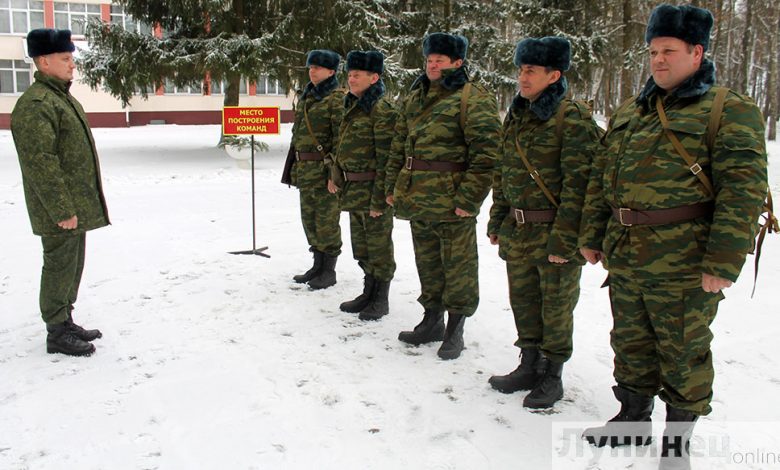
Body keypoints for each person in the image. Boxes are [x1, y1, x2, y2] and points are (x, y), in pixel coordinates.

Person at [578, 4, 768, 469]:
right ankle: (632, 418)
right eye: (652, 51)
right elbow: (603, 179)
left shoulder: (728, 109)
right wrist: (592, 234)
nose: (658, 60)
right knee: (631, 342)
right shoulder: (632, 111)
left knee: (683, 351)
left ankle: (677, 445)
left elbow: (743, 189)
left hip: (685, 261)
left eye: (669, 50)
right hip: (627, 255)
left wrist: (722, 262)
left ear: (697, 52)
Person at [486, 37, 601, 409]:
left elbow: (580, 186)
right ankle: (529, 365)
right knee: (524, 303)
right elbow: (503, 172)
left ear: (554, 75)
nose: (522, 77)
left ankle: (552, 375)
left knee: (555, 309)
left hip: (555, 233)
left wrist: (565, 241)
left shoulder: (573, 118)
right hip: (519, 232)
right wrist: (497, 218)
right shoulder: (517, 115)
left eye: (531, 71)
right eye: (520, 70)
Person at [386, 33, 500, 360]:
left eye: (440, 59)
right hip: (417, 197)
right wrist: (392, 188)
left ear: (458, 63)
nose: (433, 64)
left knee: (458, 267)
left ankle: (456, 327)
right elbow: (399, 145)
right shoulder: (414, 97)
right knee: (428, 263)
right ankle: (432, 319)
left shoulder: (472, 97)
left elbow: (487, 155)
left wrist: (469, 199)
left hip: (452, 202)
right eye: (429, 59)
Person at [11, 28, 110, 357]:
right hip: (60, 207)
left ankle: (65, 318)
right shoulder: (36, 105)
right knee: (58, 264)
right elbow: (41, 164)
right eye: (65, 59)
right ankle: (56, 330)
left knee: (72, 263)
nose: (72, 65)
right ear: (43, 61)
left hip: (73, 205)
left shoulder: (60, 97)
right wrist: (61, 210)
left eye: (71, 58)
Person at [328, 51, 397, 320]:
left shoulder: (381, 110)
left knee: (379, 247)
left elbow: (387, 158)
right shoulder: (351, 106)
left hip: (373, 192)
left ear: (374, 77)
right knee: (363, 247)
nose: (352, 78)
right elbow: (342, 147)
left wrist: (380, 199)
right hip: (354, 190)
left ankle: (381, 299)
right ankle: (368, 291)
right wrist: (336, 177)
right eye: (350, 73)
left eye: (358, 74)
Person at [289, 49, 343, 290]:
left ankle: (328, 270)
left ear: (331, 71)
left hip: (324, 171)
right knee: (309, 219)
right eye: (310, 67)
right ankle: (317, 265)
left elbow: (341, 138)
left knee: (326, 221)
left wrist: (335, 174)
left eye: (318, 68)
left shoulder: (336, 98)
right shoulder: (307, 96)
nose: (312, 71)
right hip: (305, 169)